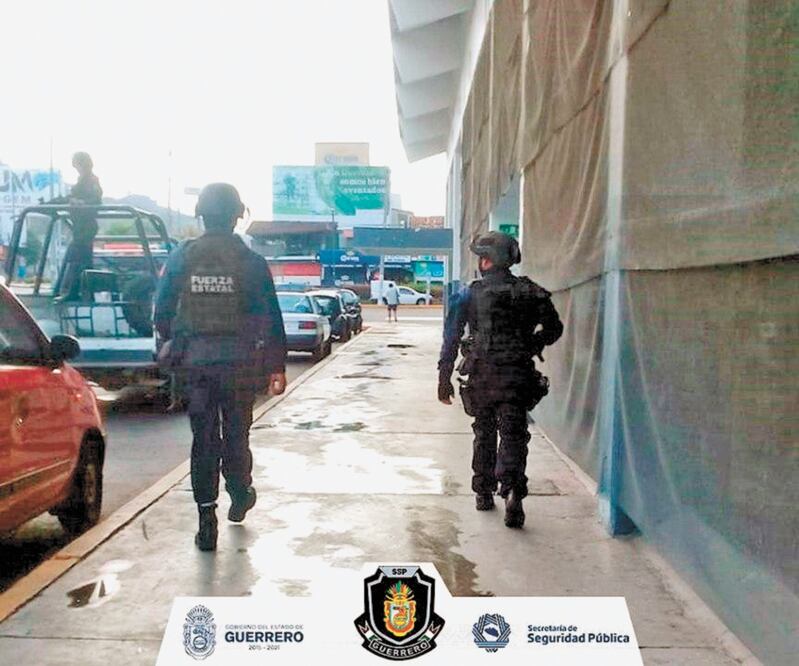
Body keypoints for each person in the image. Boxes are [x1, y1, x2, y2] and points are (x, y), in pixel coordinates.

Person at [154, 183, 288, 551]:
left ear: (201, 214)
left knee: (204, 440)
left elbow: (161, 311)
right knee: (236, 435)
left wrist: (179, 339)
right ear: (237, 216)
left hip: (196, 367)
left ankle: (206, 518)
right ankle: (240, 491)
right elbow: (270, 318)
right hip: (240, 366)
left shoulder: (183, 257)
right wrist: (276, 366)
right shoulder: (252, 262)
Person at [438, 232, 563, 528]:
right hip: (517, 375)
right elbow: (554, 327)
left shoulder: (469, 294)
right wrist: (532, 345)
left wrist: (443, 378)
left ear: (486, 261)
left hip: (482, 375)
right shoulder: (529, 291)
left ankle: (483, 492)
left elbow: (451, 338)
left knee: (484, 432)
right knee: (514, 434)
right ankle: (513, 493)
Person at [56, 151, 103, 301]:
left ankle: (75, 292)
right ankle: (86, 293)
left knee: (76, 257)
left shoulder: (92, 180)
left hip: (86, 225)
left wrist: (81, 203)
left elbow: (96, 200)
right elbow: (73, 196)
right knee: (83, 259)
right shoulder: (82, 179)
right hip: (80, 224)